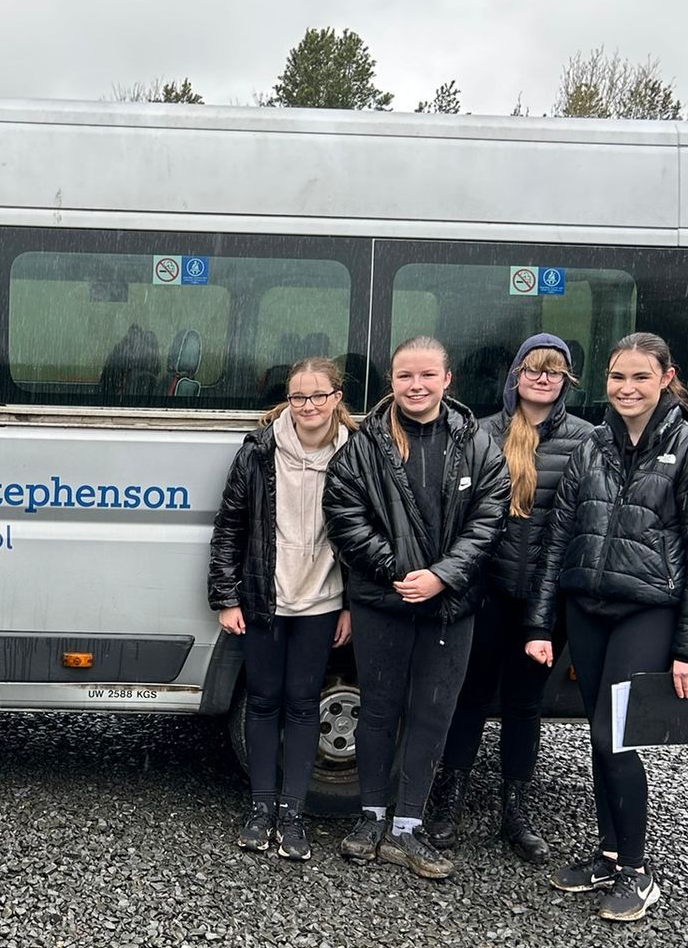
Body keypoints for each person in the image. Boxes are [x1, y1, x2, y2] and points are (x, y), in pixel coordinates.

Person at [524, 332, 688, 922]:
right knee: (598, 736)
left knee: (616, 738)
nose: (627, 389)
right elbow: (558, 539)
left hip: (649, 611)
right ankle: (611, 851)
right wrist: (542, 623)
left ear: (666, 379)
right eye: (617, 377)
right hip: (587, 610)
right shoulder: (591, 446)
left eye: (640, 377)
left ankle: (639, 872)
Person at [323, 335, 509, 881]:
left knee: (432, 714)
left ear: (447, 380)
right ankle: (371, 818)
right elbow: (344, 515)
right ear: (392, 382)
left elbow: (489, 522)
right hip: (382, 600)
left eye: (427, 375)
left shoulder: (478, 446)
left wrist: (441, 577)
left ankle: (407, 826)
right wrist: (399, 572)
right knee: (378, 710)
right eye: (405, 376)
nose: (416, 386)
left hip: (451, 606)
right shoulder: (362, 446)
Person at [428, 334, 595, 861]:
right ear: (515, 376)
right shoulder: (481, 434)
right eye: (533, 369)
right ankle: (448, 801)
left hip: (547, 600)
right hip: (488, 591)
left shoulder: (589, 439)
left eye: (554, 371)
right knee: (471, 695)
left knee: (526, 704)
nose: (542, 379)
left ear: (566, 381)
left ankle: (515, 811)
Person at [207, 358, 357, 859]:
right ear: (286, 401)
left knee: (301, 705)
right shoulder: (259, 451)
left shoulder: (356, 455)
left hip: (322, 603)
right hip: (263, 601)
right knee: (264, 703)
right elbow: (230, 526)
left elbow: (365, 536)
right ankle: (261, 807)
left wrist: (351, 606)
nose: (308, 406)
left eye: (318, 396)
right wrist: (227, 598)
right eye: (298, 397)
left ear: (337, 397)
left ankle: (292, 815)